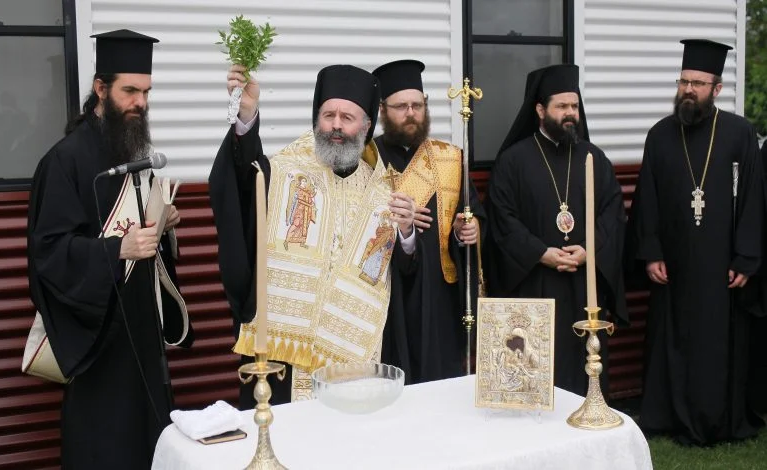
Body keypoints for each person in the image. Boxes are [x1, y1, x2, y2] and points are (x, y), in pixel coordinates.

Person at [26, 30, 193, 468]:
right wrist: (117, 248)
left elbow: (145, 239)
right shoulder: (63, 161)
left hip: (141, 326)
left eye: (146, 92)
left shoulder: (136, 151)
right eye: (130, 91)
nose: (141, 102)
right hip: (98, 342)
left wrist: (164, 227)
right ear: (101, 89)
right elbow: (49, 254)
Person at [209, 63, 417, 408]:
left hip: (351, 360)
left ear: (366, 126)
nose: (336, 125)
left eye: (347, 118)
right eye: (328, 115)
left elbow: (405, 275)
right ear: (316, 119)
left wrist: (407, 233)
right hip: (282, 357)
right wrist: (246, 117)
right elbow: (243, 184)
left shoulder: (384, 193)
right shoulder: (284, 170)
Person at [627, 39, 764, 446]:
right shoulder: (660, 135)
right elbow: (646, 197)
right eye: (684, 81)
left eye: (698, 83)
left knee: (717, 345)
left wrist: (746, 256)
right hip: (674, 263)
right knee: (673, 340)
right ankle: (668, 414)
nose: (688, 90)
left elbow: (754, 198)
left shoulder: (740, 133)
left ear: (716, 89)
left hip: (722, 266)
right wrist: (650, 252)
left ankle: (719, 417)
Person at [484, 64, 627, 396]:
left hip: (583, 284)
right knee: (535, 372)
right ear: (540, 110)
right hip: (534, 281)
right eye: (562, 106)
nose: (570, 114)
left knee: (583, 369)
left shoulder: (594, 158)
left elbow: (613, 213)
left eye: (574, 106)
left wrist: (590, 248)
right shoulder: (513, 161)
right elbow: (502, 219)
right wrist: (540, 252)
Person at [370, 60, 484, 383]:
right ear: (383, 110)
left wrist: (467, 233)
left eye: (417, 105)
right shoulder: (368, 159)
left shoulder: (450, 159)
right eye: (401, 106)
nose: (410, 113)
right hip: (387, 299)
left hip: (437, 301)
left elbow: (471, 213)